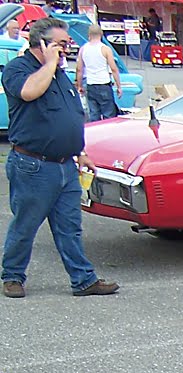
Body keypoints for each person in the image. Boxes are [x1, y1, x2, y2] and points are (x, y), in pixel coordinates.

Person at [2, 18, 119, 298]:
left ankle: (83, 279)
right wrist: (49, 64)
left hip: (65, 164)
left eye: (67, 44)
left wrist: (80, 151)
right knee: (26, 224)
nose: (66, 49)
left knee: (70, 227)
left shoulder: (59, 75)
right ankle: (13, 275)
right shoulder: (20, 69)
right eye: (59, 44)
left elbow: (67, 118)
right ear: (40, 43)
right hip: (33, 165)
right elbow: (29, 92)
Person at [74, 25, 121, 122]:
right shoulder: (105, 49)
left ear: (89, 35)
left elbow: (79, 69)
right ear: (101, 34)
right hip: (104, 84)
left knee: (94, 115)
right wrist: (119, 86)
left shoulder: (83, 49)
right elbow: (114, 69)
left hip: (90, 85)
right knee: (108, 114)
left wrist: (79, 86)